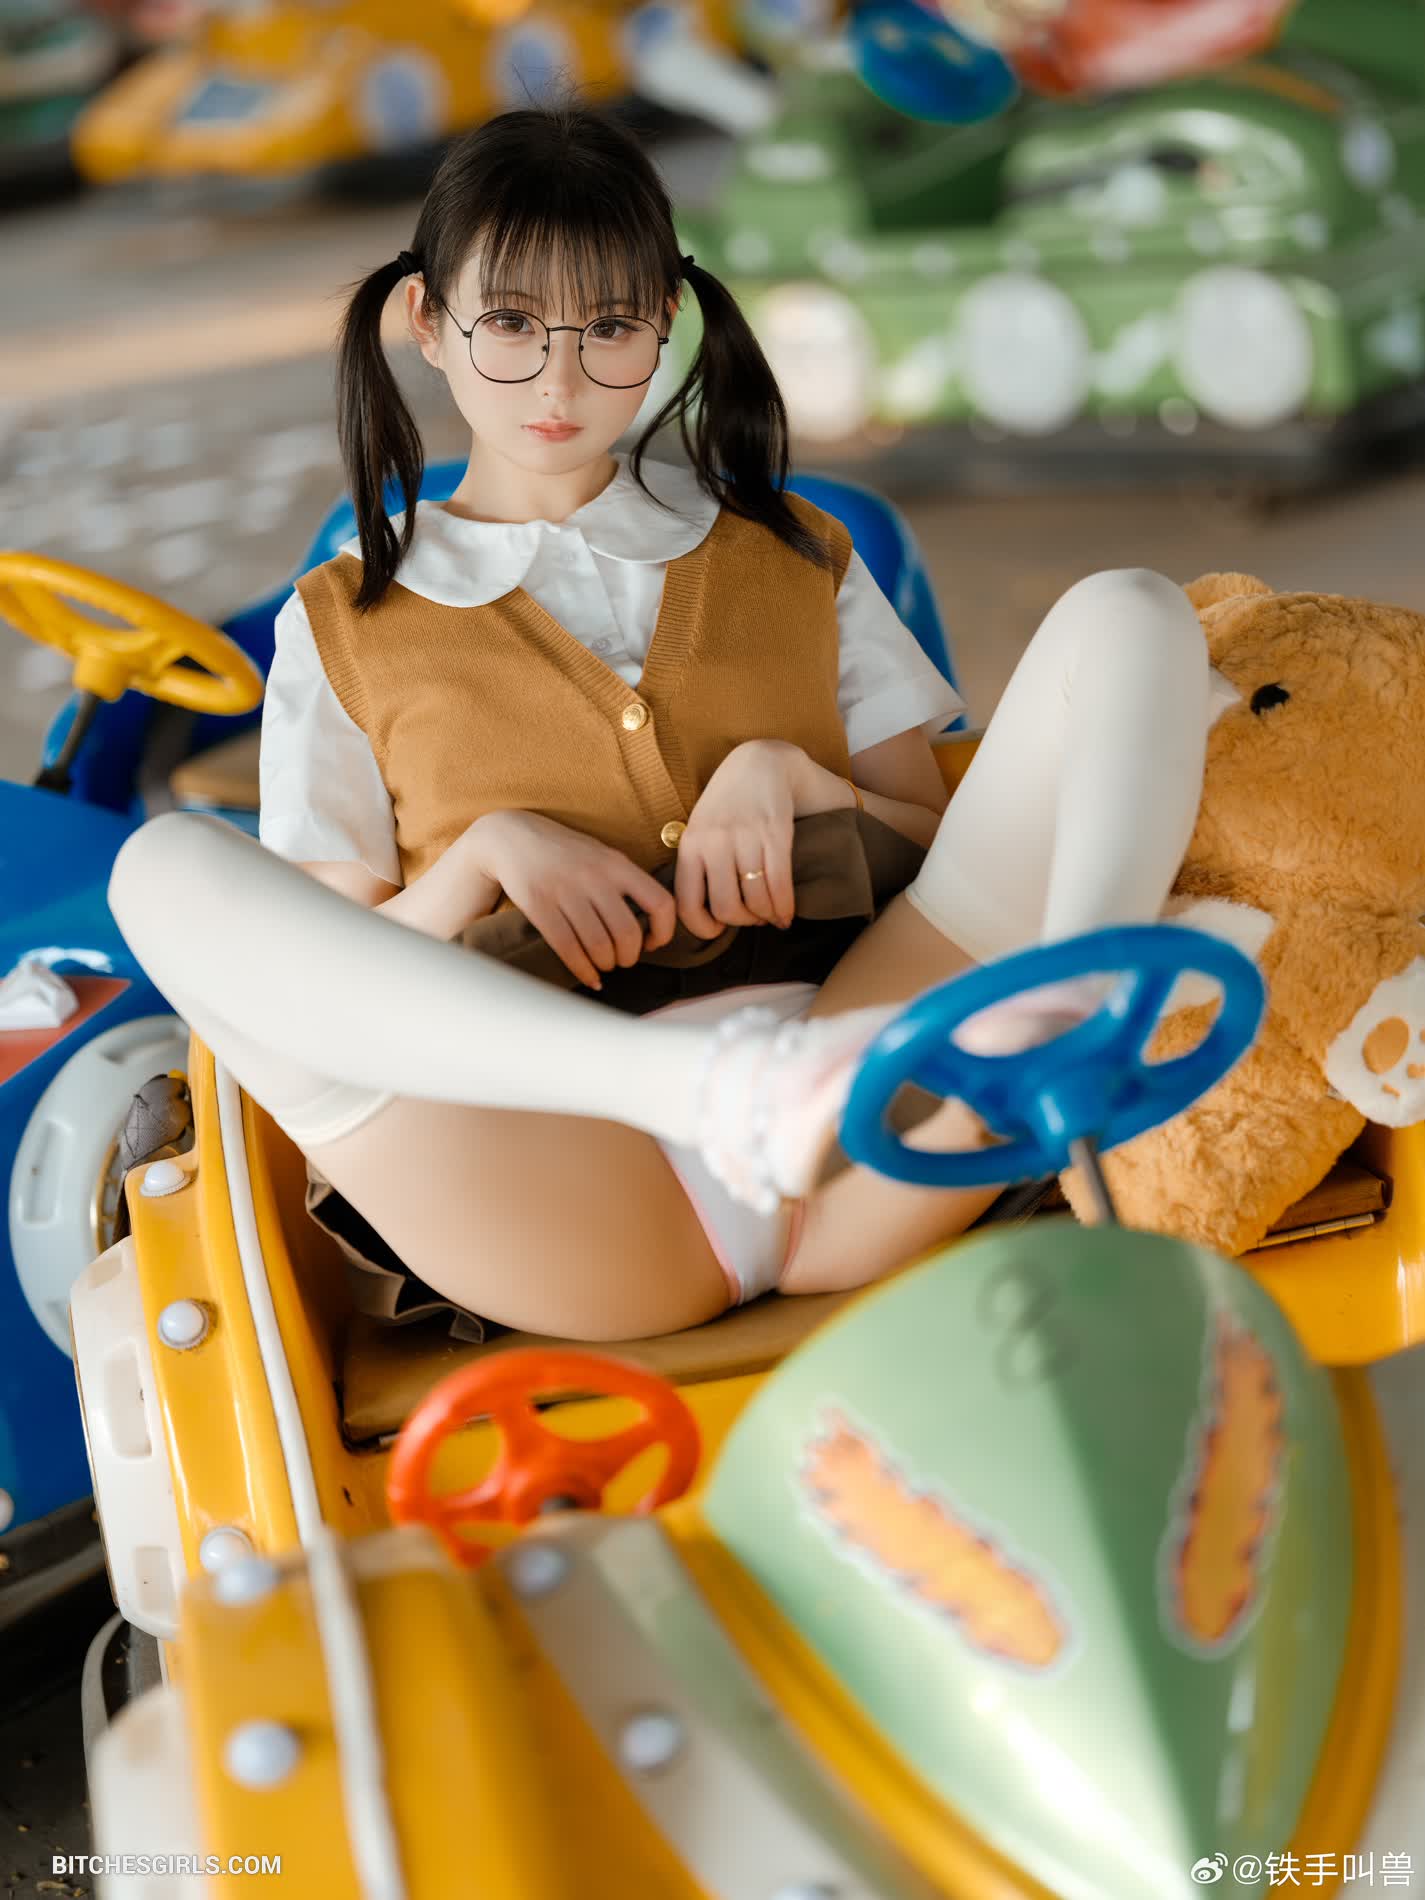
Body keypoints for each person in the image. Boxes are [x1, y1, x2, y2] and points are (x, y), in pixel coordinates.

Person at [108, 105, 1213, 1343]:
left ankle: (1084, 1004)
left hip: (880, 1092)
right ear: (426, 320)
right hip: (567, 1188)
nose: (561, 380)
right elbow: (322, 977)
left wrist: (799, 778)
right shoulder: (343, 625)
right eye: (511, 324)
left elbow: (935, 844)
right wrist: (480, 862)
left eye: (611, 328)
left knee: (1134, 609)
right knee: (159, 868)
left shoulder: (795, 552)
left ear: (667, 323)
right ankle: (709, 1089)